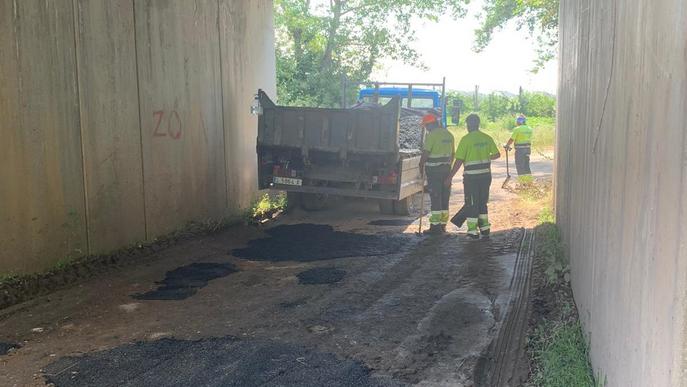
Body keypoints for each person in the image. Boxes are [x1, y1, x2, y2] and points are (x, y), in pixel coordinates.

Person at [445, 114, 500, 239]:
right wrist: (485, 157)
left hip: (471, 177)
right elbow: (497, 155)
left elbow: (459, 160)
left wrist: (450, 177)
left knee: (471, 202)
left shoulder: (466, 139)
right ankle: (485, 228)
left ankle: (472, 230)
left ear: (469, 125)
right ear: (478, 124)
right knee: (482, 201)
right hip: (486, 176)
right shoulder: (486, 138)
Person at [419, 113, 455, 234]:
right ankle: (443, 225)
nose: (425, 128)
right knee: (445, 198)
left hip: (434, 172)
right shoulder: (449, 134)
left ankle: (435, 227)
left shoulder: (431, 135)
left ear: (430, 125)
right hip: (446, 170)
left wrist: (420, 166)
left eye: (425, 126)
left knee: (435, 198)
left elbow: (426, 153)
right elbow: (453, 154)